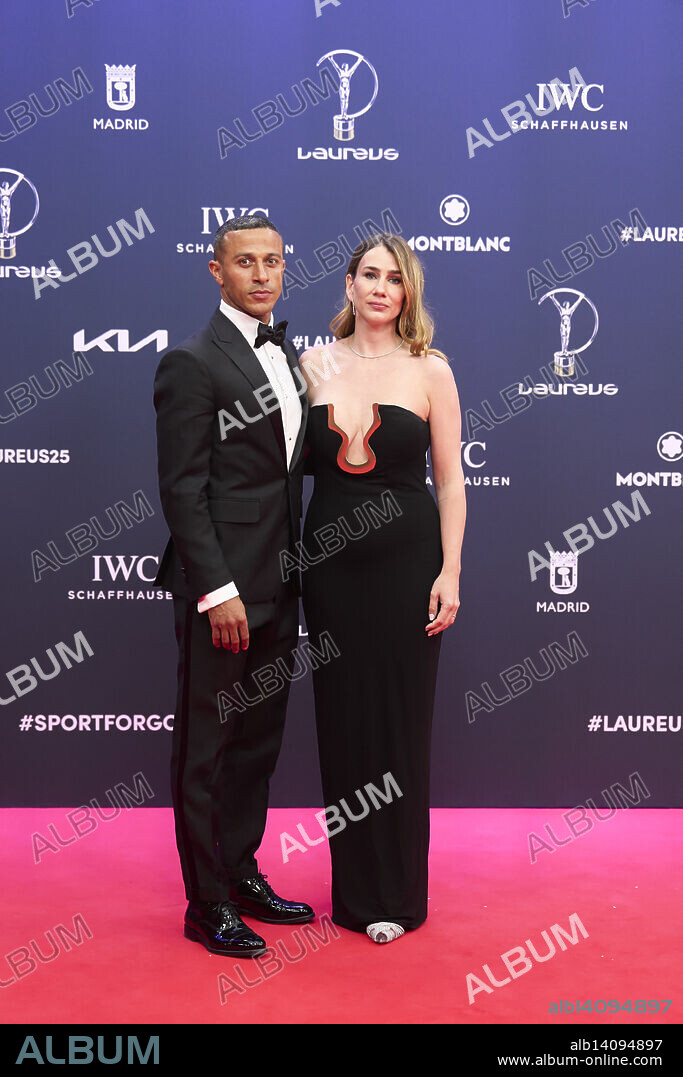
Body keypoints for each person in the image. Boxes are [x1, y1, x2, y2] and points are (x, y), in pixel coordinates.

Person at [154, 215, 314, 958]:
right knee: (208, 747)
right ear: (215, 271)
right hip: (226, 593)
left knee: (256, 743)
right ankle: (206, 900)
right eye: (244, 261)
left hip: (283, 584)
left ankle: (242, 869)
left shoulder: (290, 356)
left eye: (272, 261)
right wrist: (216, 590)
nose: (260, 273)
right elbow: (183, 490)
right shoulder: (191, 362)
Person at [299, 233, 465, 944]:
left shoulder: (431, 370)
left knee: (400, 723)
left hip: (407, 567)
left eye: (394, 280)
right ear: (346, 282)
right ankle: (355, 893)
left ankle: (398, 889)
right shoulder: (309, 364)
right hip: (329, 567)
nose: (379, 288)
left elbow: (451, 479)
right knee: (341, 724)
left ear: (407, 294)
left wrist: (449, 569)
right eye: (369, 274)